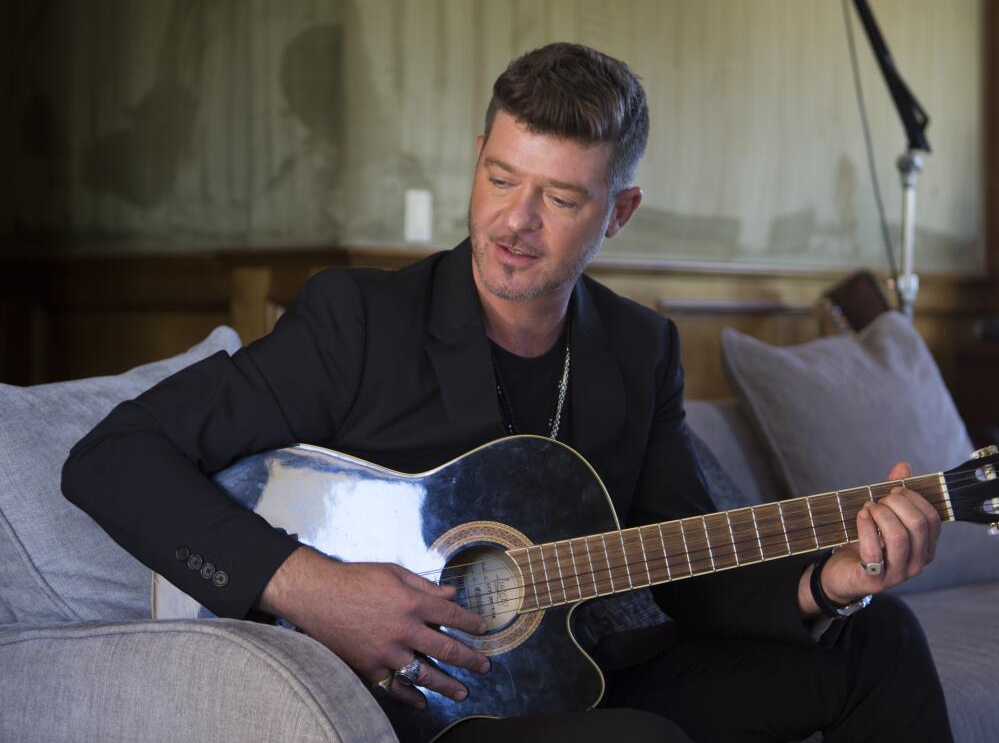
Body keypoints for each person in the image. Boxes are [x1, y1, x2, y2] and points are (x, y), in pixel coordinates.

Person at [62, 42, 952, 742]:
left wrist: (830, 583)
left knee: (879, 640)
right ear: (477, 155)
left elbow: (696, 573)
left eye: (560, 199)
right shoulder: (358, 322)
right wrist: (312, 586)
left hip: (581, 677)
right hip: (419, 705)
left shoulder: (638, 349)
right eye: (500, 179)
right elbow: (113, 458)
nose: (514, 224)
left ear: (619, 212)